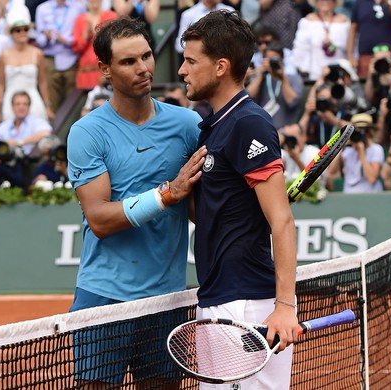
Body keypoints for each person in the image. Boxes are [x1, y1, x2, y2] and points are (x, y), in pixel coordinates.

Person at [67, 17, 206, 388]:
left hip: (167, 301)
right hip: (104, 299)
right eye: (129, 62)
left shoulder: (188, 125)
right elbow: (99, 218)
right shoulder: (87, 132)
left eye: (146, 56)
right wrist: (168, 194)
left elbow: (199, 211)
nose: (143, 68)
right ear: (105, 70)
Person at [178, 10, 299, 389]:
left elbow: (281, 221)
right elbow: (214, 216)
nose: (182, 70)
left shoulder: (249, 123)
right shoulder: (212, 128)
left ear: (220, 67)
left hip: (249, 304)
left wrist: (284, 307)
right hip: (216, 299)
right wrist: (179, 191)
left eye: (191, 61)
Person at [0, 9, 54, 126]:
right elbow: (0, 84)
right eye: (18, 30)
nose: (22, 33)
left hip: (33, 99)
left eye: (25, 29)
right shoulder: (4, 55)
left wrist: (47, 107)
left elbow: (42, 82)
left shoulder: (37, 53)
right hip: (10, 100)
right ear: (12, 33)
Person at [34, 0, 86, 113]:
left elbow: (82, 36)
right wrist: (46, 38)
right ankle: (53, 129)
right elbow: (39, 39)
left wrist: (65, 40)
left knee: (72, 100)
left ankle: (71, 128)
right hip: (50, 58)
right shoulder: (42, 9)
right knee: (51, 99)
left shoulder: (78, 8)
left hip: (71, 58)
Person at [246, 42, 303, 129]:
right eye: (268, 59)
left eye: (274, 59)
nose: (271, 63)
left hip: (286, 132)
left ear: (282, 59)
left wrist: (283, 78)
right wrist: (260, 75)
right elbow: (247, 97)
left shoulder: (294, 78)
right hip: (262, 129)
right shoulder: (261, 79)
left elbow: (292, 102)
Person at [291, 0, 350, 81]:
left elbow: (351, 48)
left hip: (340, 73)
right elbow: (300, 50)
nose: (325, 2)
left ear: (335, 2)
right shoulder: (307, 21)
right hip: (315, 73)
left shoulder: (344, 21)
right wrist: (303, 69)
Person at [346, 0, 391, 78]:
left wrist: (389, 3)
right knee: (366, 83)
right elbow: (353, 29)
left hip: (390, 55)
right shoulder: (360, 2)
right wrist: (350, 56)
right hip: (366, 55)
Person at [327, 112, 385, 192]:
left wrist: (361, 153)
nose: (360, 134)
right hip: (349, 198)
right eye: (356, 131)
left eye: (364, 131)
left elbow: (372, 178)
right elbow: (331, 172)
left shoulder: (376, 149)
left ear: (369, 132)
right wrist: (341, 145)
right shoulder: (347, 151)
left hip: (370, 198)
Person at [0, 91, 52, 158]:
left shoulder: (36, 122)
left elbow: (46, 133)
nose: (21, 107)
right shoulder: (4, 126)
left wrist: (19, 142)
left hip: (29, 161)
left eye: (25, 104)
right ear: (12, 107)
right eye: (18, 104)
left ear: (29, 107)